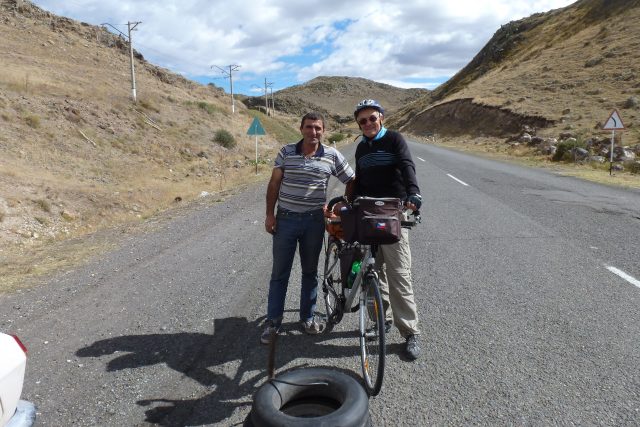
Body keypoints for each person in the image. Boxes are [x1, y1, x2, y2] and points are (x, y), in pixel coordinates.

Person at [262, 111, 355, 345]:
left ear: (323, 131)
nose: (313, 132)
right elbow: (274, 183)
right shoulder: (286, 152)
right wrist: (269, 215)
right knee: (279, 273)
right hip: (286, 220)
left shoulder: (331, 156)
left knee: (310, 273)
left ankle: (307, 318)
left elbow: (351, 180)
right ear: (301, 128)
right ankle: (273, 322)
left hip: (314, 222)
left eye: (318, 128)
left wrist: (343, 205)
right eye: (309, 127)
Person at [351, 99, 423, 360]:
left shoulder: (394, 139)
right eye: (363, 121)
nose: (368, 123)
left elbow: (407, 165)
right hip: (368, 213)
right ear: (359, 125)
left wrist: (413, 193)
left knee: (398, 274)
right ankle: (382, 320)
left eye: (372, 118)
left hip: (393, 212)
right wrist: (350, 205)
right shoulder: (361, 148)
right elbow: (359, 180)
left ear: (381, 118)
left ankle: (410, 331)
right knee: (373, 271)